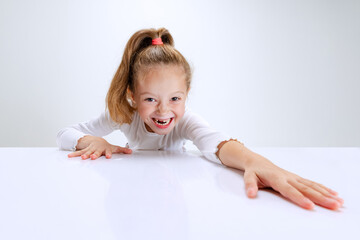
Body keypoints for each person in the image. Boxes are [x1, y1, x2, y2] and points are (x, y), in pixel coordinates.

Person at [57, 28, 343, 211]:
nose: (163, 111)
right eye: (150, 99)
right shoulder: (123, 114)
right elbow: (64, 134)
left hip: (174, 175)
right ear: (132, 95)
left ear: (186, 93)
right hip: (136, 188)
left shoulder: (185, 121)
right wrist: (89, 139)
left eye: (174, 99)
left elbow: (216, 144)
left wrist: (256, 162)